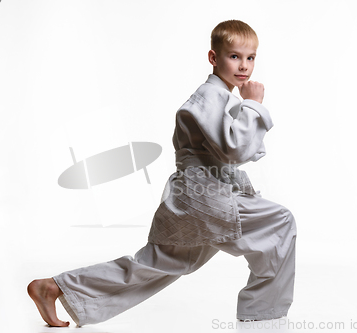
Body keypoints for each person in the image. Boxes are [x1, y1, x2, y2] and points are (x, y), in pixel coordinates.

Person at [28, 19, 297, 327]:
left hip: (196, 195)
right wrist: (253, 105)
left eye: (250, 58)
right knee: (280, 222)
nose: (244, 66)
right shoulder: (211, 97)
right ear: (213, 58)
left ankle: (56, 287)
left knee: (159, 264)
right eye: (234, 56)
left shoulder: (222, 98)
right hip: (206, 194)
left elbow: (243, 149)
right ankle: (264, 317)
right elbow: (236, 149)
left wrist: (246, 108)